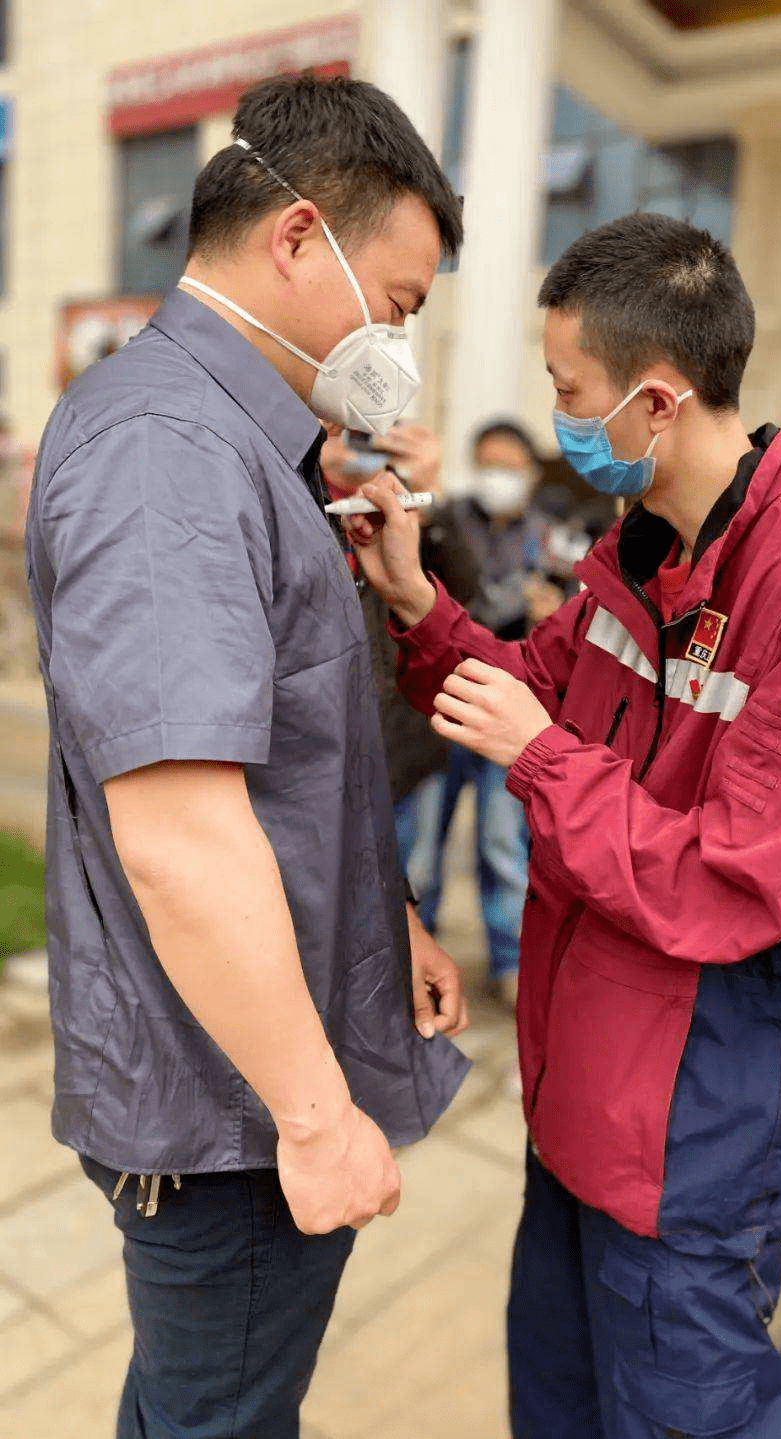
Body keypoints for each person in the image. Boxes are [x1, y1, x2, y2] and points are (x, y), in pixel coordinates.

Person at [351, 212, 781, 1438]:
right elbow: (533, 682)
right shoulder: (642, 545)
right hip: (581, 1096)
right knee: (555, 1405)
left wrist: (542, 758)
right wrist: (417, 603)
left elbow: (730, 880)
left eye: (569, 390)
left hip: (698, 1137)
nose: (558, 413)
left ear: (657, 402)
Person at [23, 76, 470, 1438]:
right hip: (237, 1114)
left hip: (257, 1074)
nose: (397, 341)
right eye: (395, 301)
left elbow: (285, 759)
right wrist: (318, 1111)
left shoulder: (250, 446)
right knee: (218, 1413)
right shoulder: (168, 450)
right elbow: (178, 827)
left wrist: (384, 916)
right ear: (293, 238)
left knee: (199, 1401)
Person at [420, 420, 556, 1005]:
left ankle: (508, 960)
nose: (497, 478)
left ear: (528, 471)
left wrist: (552, 604)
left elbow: (567, 607)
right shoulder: (446, 523)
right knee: (422, 838)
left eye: (509, 466)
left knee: (503, 841)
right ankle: (416, 945)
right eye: (487, 464)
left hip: (510, 704)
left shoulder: (547, 534)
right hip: (442, 705)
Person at [320, 425, 479, 909]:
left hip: (406, 744)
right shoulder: (297, 502)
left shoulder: (410, 508)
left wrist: (425, 502)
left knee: (411, 884)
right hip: (327, 752)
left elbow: (463, 588)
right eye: (346, 435)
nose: (359, 450)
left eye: (374, 440)